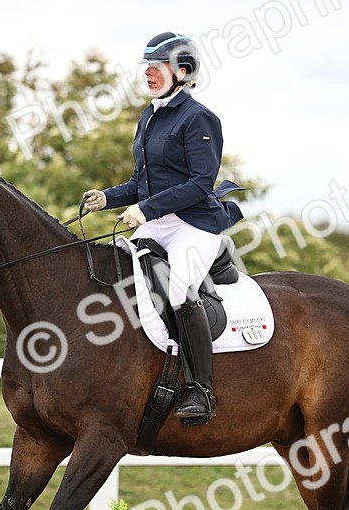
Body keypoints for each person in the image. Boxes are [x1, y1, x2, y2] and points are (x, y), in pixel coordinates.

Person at [83, 32, 242, 425]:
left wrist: (146, 209)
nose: (149, 73)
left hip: (194, 223)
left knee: (177, 292)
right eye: (147, 67)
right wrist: (108, 197)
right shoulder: (149, 115)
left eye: (158, 66)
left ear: (182, 70)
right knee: (118, 274)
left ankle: (201, 391)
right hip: (159, 220)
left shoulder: (199, 118)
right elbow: (142, 182)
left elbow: (199, 183)